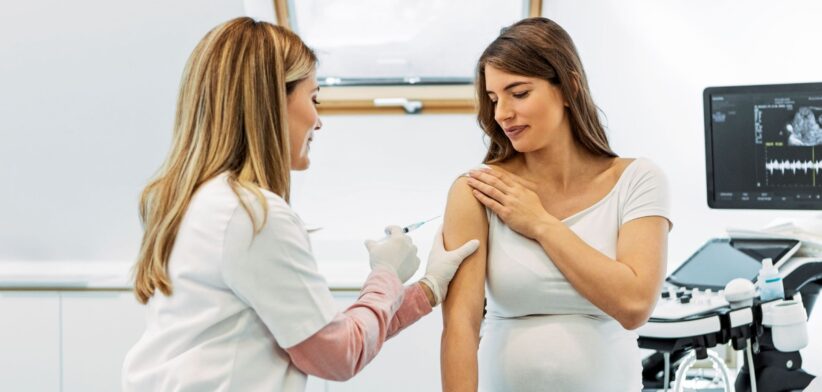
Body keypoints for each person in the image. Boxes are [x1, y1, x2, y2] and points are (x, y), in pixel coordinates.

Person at [121, 17, 479, 392]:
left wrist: (428, 289)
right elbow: (337, 353)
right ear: (273, 102)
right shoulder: (253, 217)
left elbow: (317, 337)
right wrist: (386, 274)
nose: (319, 120)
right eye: (314, 98)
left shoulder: (200, 201)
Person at [440, 17, 672, 391]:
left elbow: (634, 305)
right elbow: (461, 327)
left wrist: (540, 223)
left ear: (569, 88)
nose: (501, 114)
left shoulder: (638, 180)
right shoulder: (479, 190)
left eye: (518, 93)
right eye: (494, 98)